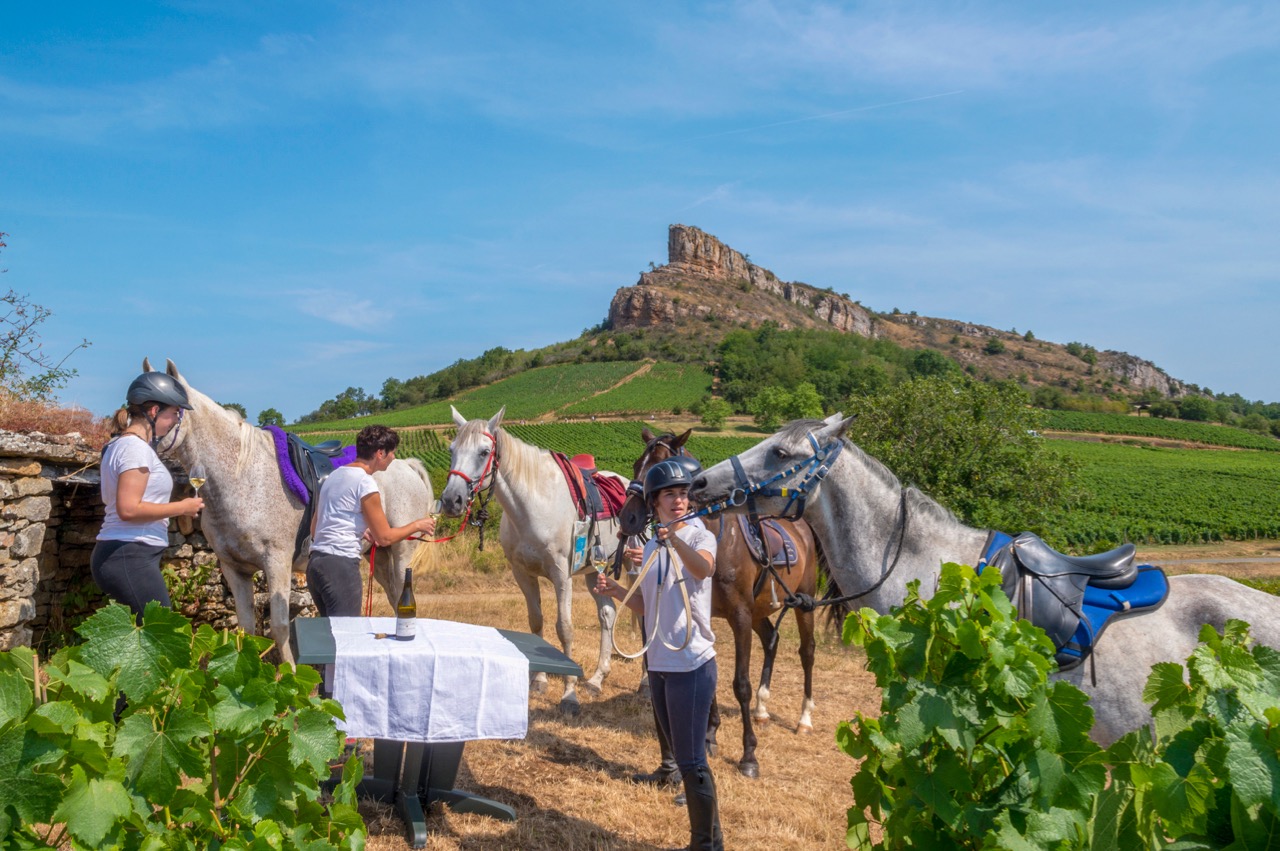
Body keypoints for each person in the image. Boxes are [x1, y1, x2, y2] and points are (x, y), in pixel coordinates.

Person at [596, 458, 723, 851]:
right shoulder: (653, 544)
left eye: (683, 493)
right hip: (660, 663)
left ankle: (705, 845)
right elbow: (647, 606)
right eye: (670, 494)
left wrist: (674, 540)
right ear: (654, 501)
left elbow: (703, 570)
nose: (679, 500)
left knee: (691, 760)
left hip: (692, 663)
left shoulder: (700, 536)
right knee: (686, 758)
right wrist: (617, 591)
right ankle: (711, 841)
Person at [93, 372, 205, 618]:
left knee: (141, 634)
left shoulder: (119, 445)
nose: (176, 421)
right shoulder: (135, 449)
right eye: (175, 413)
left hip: (126, 553)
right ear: (154, 411)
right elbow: (129, 509)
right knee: (162, 630)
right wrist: (182, 508)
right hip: (129, 553)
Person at [307, 424, 435, 617]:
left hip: (315, 566)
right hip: (341, 570)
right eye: (392, 452)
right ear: (380, 453)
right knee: (347, 632)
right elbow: (384, 538)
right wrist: (417, 525)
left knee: (330, 631)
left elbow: (315, 529)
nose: (394, 457)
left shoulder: (333, 476)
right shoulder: (365, 482)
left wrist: (359, 530)